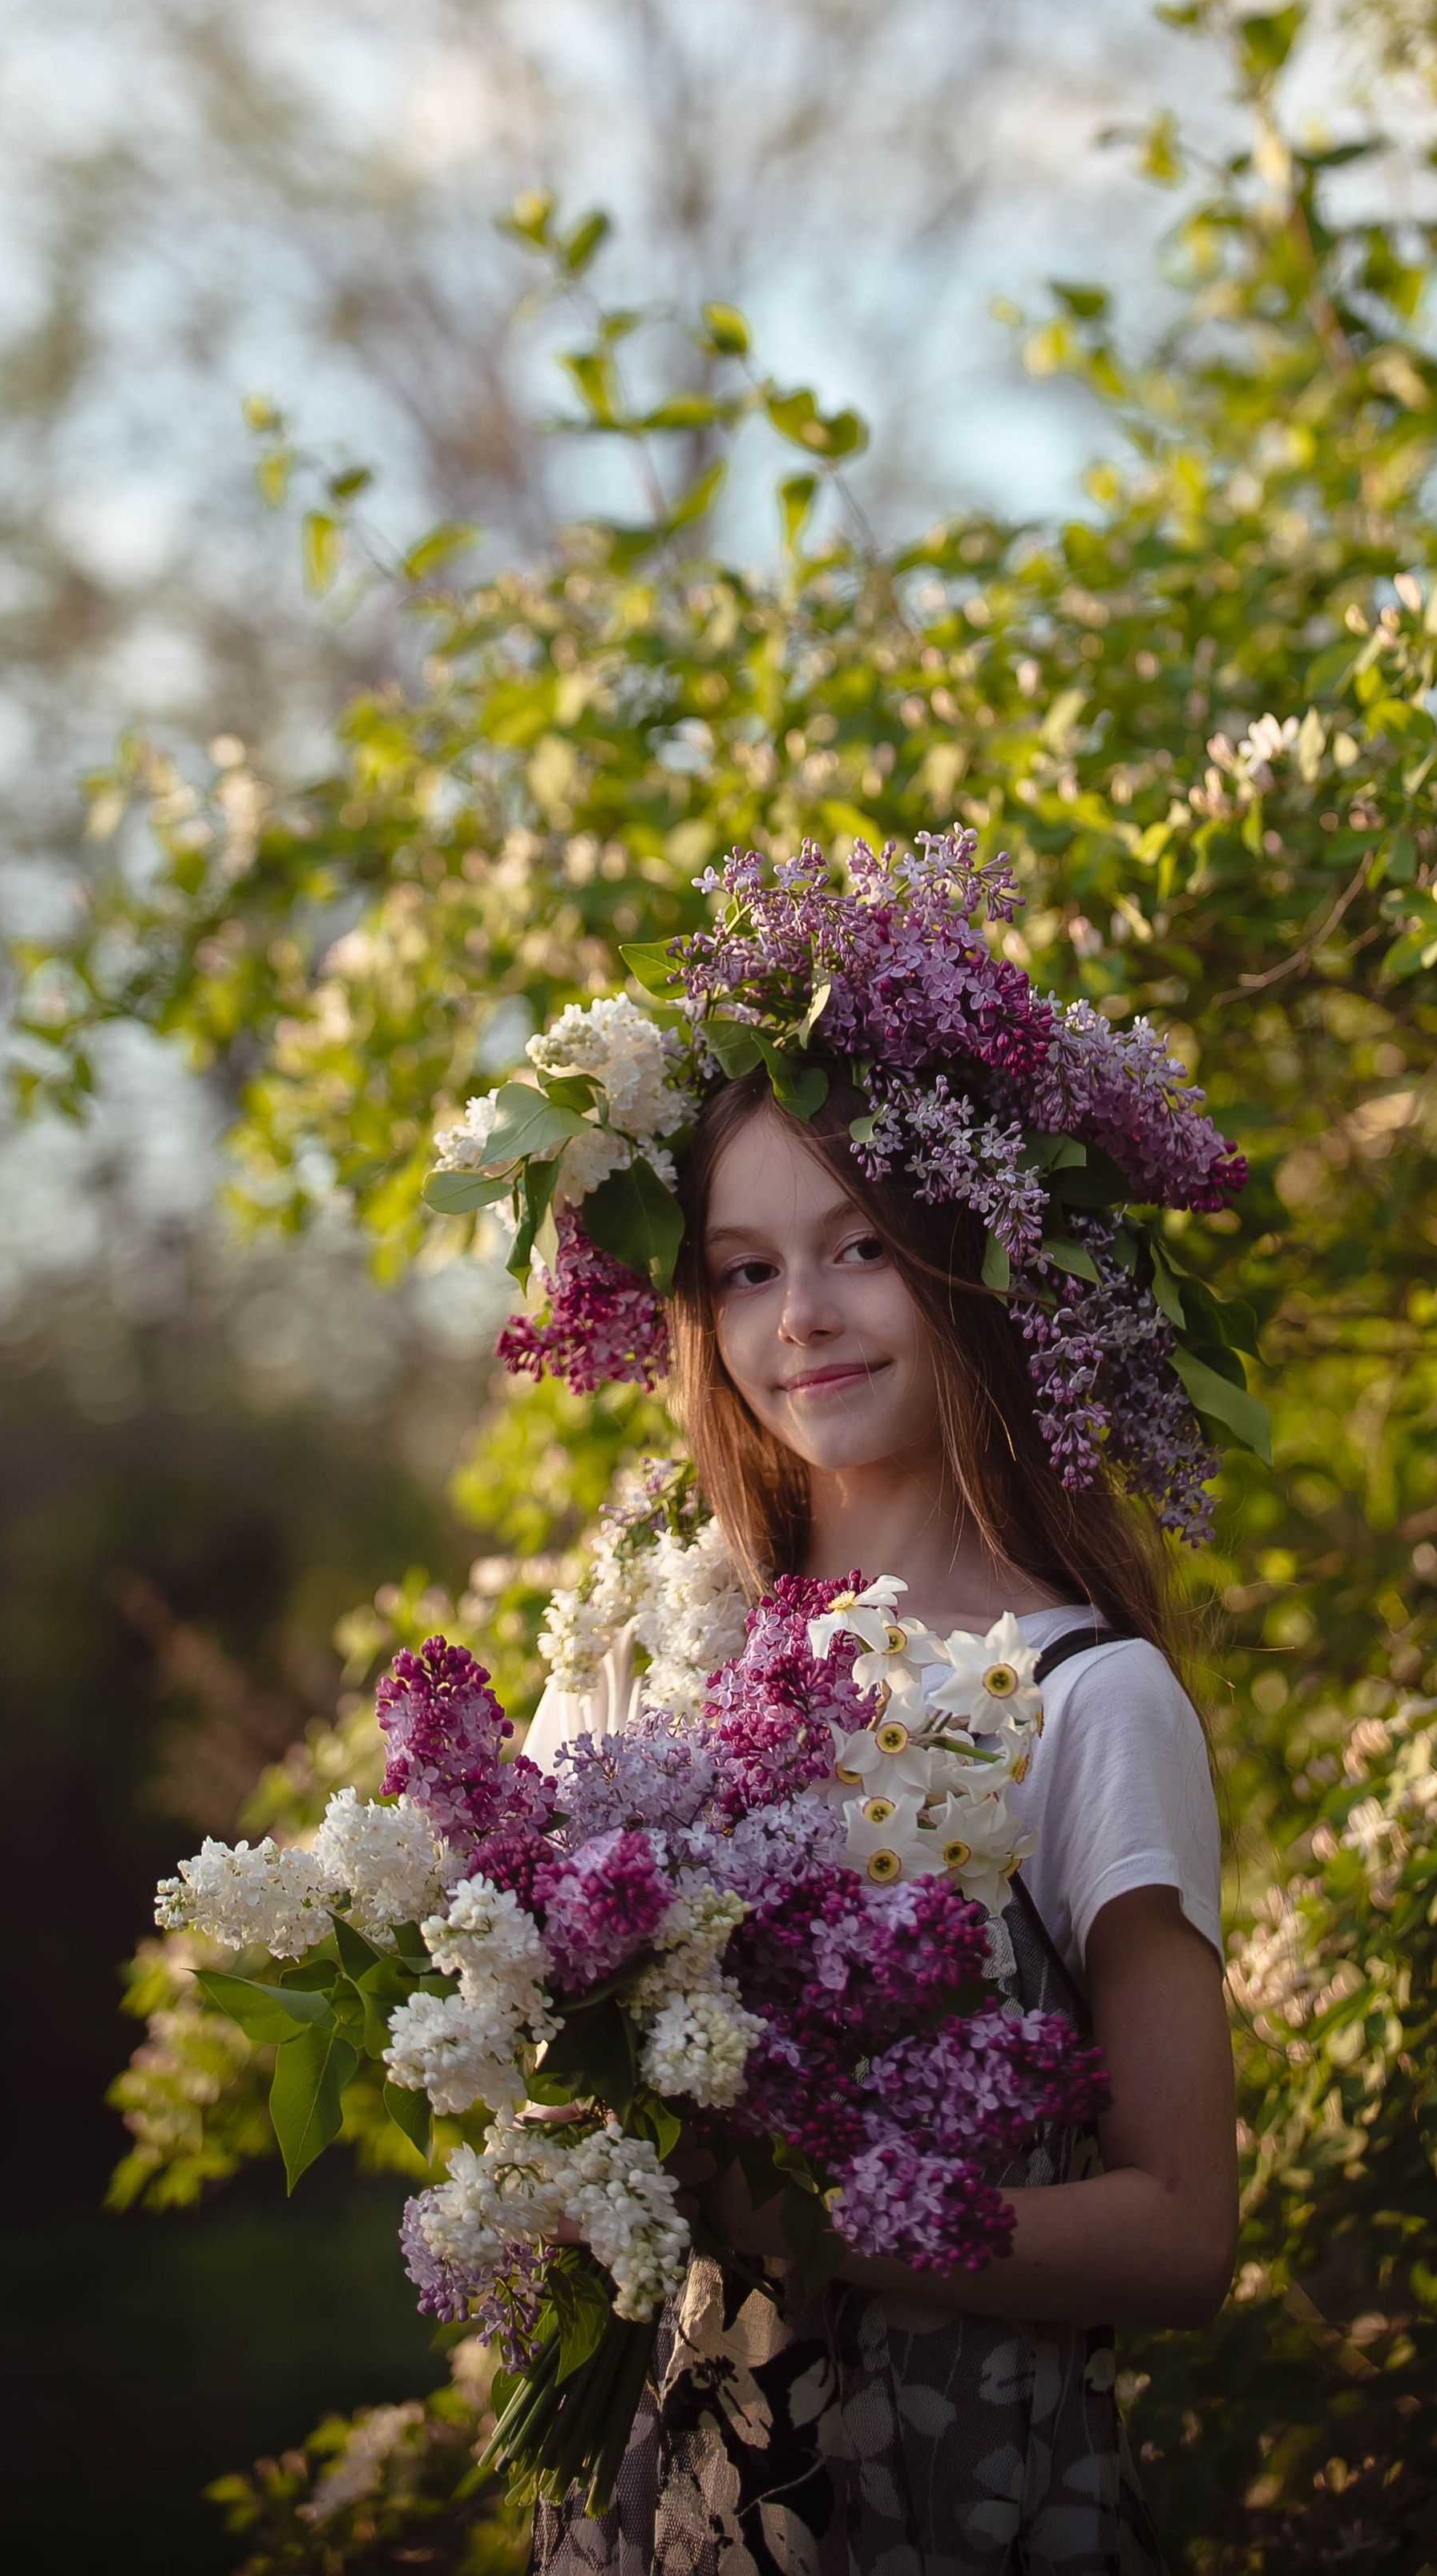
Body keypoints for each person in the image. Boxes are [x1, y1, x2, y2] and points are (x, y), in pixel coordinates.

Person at [524, 1066, 1237, 2576]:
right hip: (651, 2497)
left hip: (951, 2491)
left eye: (862, 1249)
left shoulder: (1084, 1694)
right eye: (746, 1268)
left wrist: (803, 2207)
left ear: (976, 1267)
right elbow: (525, 2065)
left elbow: (1185, 2233)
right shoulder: (644, 1648)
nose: (802, 1317)